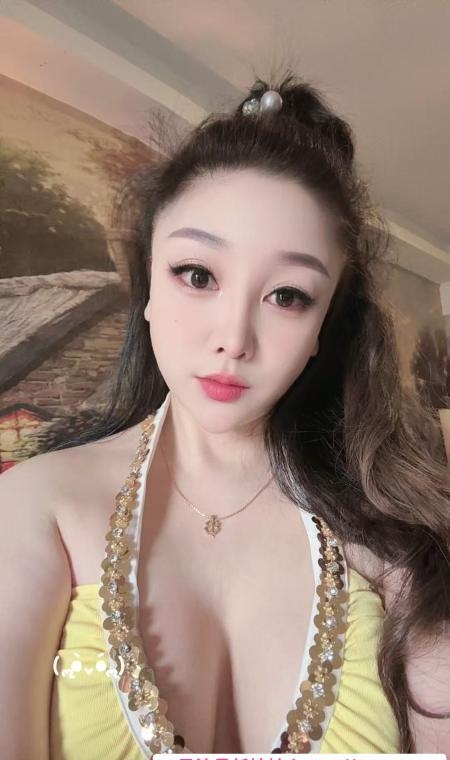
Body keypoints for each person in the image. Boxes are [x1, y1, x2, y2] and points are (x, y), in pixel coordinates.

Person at [1, 73, 449, 759]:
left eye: (289, 295)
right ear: (148, 287)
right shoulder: (39, 507)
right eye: (198, 275)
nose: (234, 339)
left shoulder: (391, 542)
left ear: (322, 327)